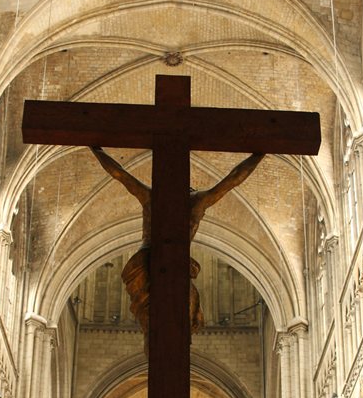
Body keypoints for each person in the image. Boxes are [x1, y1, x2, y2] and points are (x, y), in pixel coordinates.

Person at [90, 147, 264, 351]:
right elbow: (233, 179)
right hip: (162, 265)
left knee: (159, 326)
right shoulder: (196, 201)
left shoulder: (153, 197)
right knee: (177, 323)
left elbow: (119, 173)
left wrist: (95, 148)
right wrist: (258, 154)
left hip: (148, 262)